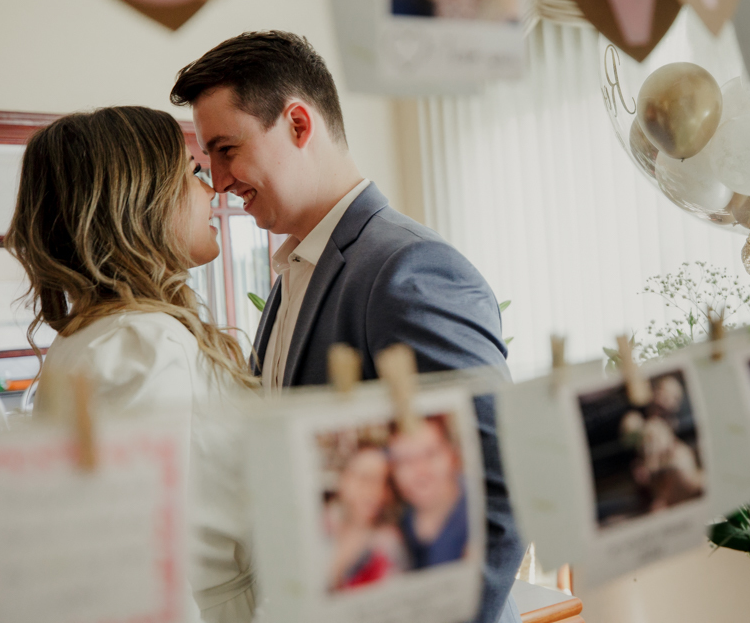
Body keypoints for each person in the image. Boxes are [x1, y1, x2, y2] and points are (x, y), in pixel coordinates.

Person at [170, 31, 523, 623]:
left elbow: (497, 490)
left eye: (227, 149)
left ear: (299, 125)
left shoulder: (408, 268)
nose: (222, 180)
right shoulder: (291, 275)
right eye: (210, 161)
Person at [6, 107, 259, 623]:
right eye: (192, 173)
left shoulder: (100, 335)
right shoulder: (142, 342)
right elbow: (137, 560)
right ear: (139, 201)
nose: (213, 189)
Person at [324, 445, 408, 590]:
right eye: (365, 478)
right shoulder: (317, 525)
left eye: (384, 481)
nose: (377, 492)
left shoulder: (389, 547)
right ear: (343, 480)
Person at [389, 417, 469, 567]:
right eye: (405, 460)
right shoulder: (399, 520)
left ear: (453, 455)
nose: (420, 472)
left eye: (430, 454)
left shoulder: (485, 512)